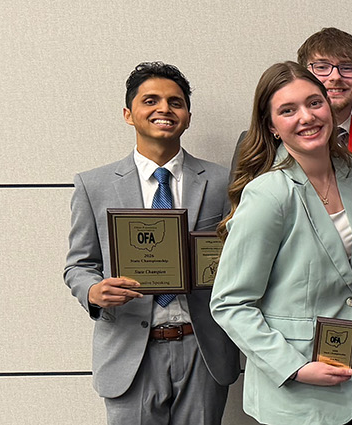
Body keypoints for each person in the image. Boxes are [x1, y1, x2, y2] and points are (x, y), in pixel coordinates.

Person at [63, 61, 239, 424]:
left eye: (175, 102)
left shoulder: (223, 182)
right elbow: (78, 265)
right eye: (151, 100)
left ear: (188, 116)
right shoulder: (94, 185)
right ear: (129, 114)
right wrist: (93, 292)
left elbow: (239, 258)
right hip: (129, 347)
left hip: (201, 349)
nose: (164, 109)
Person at [211, 61, 352, 425]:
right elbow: (230, 303)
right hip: (299, 389)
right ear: (272, 126)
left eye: (314, 103)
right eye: (288, 110)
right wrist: (296, 367)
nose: (307, 117)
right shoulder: (268, 194)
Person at [238, 28, 352, 195]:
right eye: (322, 67)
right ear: (303, 76)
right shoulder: (256, 145)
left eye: (347, 67)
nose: (335, 77)